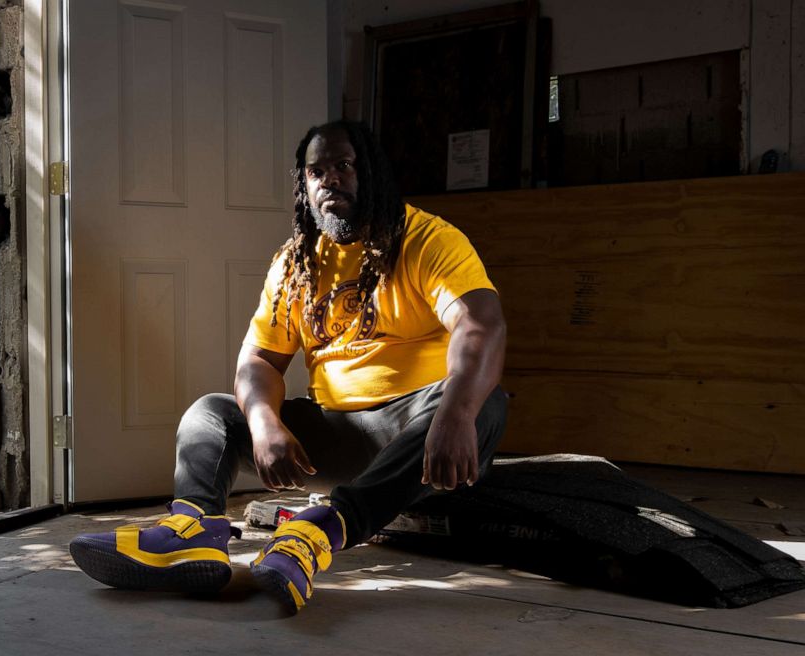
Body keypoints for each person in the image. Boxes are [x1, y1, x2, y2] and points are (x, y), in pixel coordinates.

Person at [70, 120, 508, 613]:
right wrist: (264, 423)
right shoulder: (296, 262)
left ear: (372, 173)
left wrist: (455, 415)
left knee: (483, 403)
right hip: (335, 435)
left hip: (416, 433)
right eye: (315, 172)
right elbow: (258, 358)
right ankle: (192, 531)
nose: (329, 181)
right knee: (210, 413)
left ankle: (316, 531)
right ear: (304, 186)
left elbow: (480, 325)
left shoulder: (428, 239)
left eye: (343, 166)